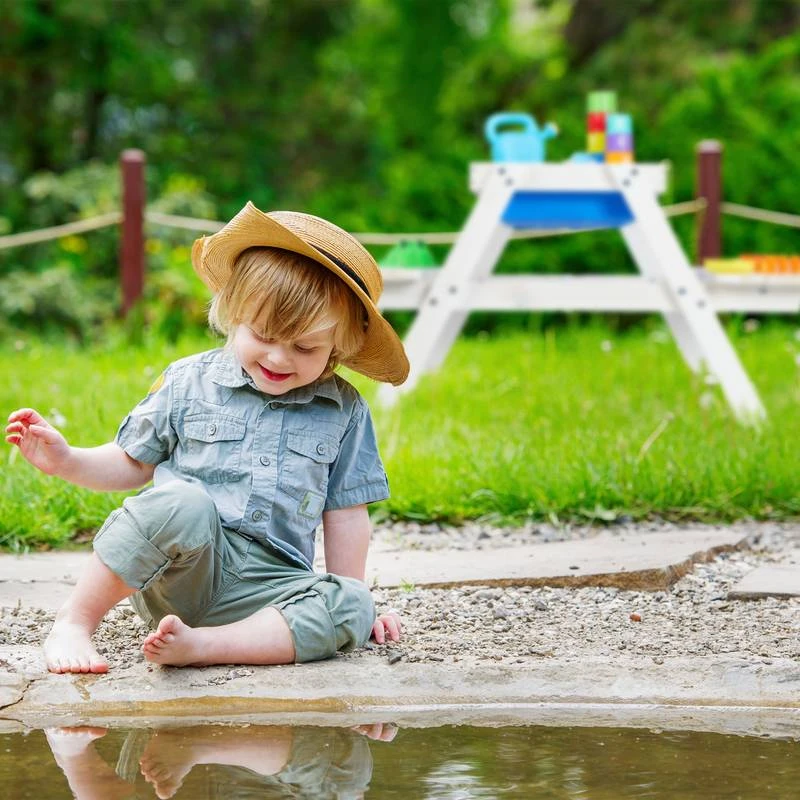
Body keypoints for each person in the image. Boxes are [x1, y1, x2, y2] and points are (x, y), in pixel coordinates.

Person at [5, 202, 409, 674]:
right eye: (263, 335)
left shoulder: (343, 411)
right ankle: (74, 621)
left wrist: (351, 593)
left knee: (353, 605)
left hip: (271, 588)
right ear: (233, 313)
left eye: (304, 347)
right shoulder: (187, 383)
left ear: (338, 347)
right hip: (181, 572)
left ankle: (202, 645)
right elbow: (133, 463)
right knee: (183, 502)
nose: (279, 358)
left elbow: (345, 515)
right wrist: (67, 460)